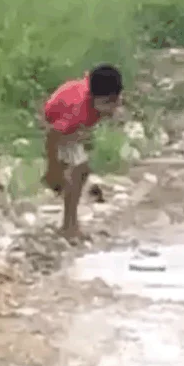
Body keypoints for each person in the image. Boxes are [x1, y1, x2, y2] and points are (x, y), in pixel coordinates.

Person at [42, 64, 123, 240]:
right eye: (107, 104)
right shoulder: (76, 111)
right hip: (59, 125)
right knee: (80, 170)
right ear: (93, 98)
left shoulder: (96, 99)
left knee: (76, 171)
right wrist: (52, 167)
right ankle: (68, 226)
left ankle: (70, 221)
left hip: (72, 125)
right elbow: (52, 136)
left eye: (115, 102)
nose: (112, 108)